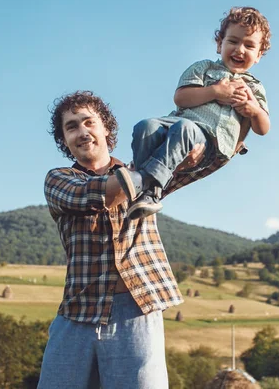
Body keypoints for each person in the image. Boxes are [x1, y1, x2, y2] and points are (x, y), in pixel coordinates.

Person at [37, 91, 204, 388]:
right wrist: (157, 167)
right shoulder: (58, 179)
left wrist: (195, 153)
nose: (83, 131)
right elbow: (96, 194)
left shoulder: (150, 173)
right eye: (72, 127)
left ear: (106, 129)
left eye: (89, 122)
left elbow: (200, 163)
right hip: (78, 309)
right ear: (64, 140)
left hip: (137, 308)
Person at [116, 6, 272, 219]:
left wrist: (254, 111)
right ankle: (144, 190)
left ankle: (146, 185)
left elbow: (263, 128)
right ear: (219, 44)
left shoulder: (253, 88)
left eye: (249, 45)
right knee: (146, 126)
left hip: (210, 142)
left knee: (185, 129)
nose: (240, 49)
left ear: (258, 55)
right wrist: (216, 91)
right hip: (179, 124)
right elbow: (181, 98)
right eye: (233, 41)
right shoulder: (204, 68)